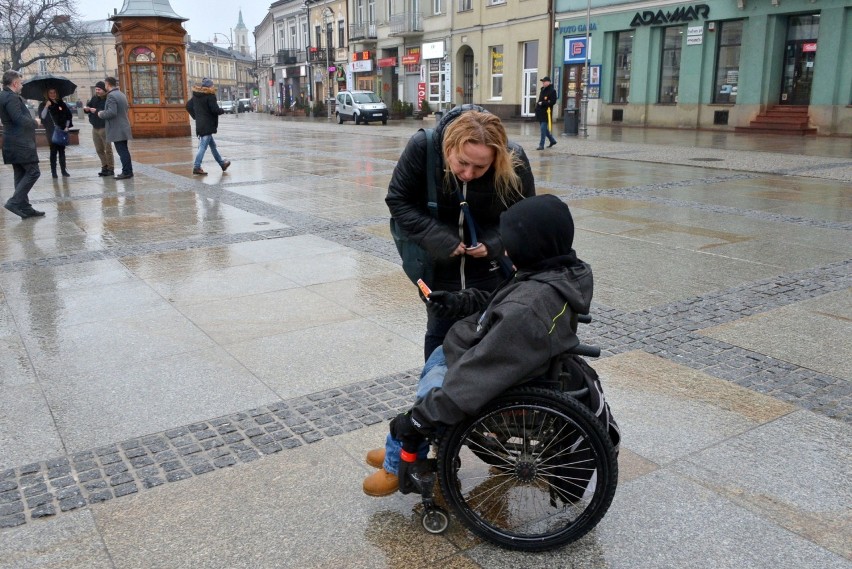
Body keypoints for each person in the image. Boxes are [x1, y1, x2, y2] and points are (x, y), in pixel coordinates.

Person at [363, 195, 593, 496]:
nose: (506, 249)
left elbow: (477, 377)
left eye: (511, 242)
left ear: (531, 245)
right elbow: (502, 300)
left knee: (428, 395)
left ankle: (399, 461)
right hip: (478, 345)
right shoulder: (557, 271)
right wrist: (460, 301)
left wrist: (416, 421)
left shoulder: (529, 310)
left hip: (477, 363)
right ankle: (400, 448)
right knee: (432, 375)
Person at [386, 105, 535, 362]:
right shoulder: (423, 147)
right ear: (448, 147)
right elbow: (398, 200)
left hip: (491, 272)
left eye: (480, 167)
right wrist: (439, 238)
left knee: (492, 345)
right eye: (462, 163)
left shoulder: (514, 159)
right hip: (438, 267)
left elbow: (525, 216)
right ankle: (437, 397)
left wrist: (492, 243)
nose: (468, 174)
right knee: (439, 340)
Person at [1, 70, 43, 219]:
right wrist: (35, 122)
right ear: (15, 83)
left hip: (11, 141)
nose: (22, 85)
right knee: (33, 172)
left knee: (20, 174)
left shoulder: (3, 95)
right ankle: (14, 202)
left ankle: (25, 207)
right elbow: (18, 118)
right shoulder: (11, 97)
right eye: (21, 82)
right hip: (20, 143)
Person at [185, 77, 231, 176]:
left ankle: (222, 164)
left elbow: (188, 105)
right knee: (202, 147)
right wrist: (222, 110)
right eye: (212, 85)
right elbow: (214, 110)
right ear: (209, 86)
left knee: (213, 146)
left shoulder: (197, 95)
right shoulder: (210, 96)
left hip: (201, 124)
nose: (213, 86)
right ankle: (197, 167)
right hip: (207, 125)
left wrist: (196, 116)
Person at [98, 76, 133, 180]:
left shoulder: (111, 96)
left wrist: (101, 113)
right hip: (123, 126)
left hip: (117, 128)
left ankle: (126, 172)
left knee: (122, 151)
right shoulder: (121, 94)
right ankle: (128, 171)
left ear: (108, 84)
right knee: (124, 150)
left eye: (105, 84)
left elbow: (112, 112)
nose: (105, 86)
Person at [37, 87, 73, 178]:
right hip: (51, 132)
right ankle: (54, 172)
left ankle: (63, 170)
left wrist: (67, 126)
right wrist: (46, 106)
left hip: (62, 130)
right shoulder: (43, 104)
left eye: (54, 93)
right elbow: (43, 117)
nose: (53, 94)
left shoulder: (61, 103)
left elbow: (68, 115)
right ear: (47, 94)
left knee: (62, 151)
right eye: (50, 93)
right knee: (53, 152)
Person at [83, 81, 115, 176]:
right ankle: (104, 165)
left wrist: (96, 110)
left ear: (104, 90)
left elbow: (108, 112)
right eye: (96, 89)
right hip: (95, 126)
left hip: (104, 126)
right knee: (99, 149)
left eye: (99, 89)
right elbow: (90, 106)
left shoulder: (108, 98)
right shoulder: (94, 98)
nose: (97, 91)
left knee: (107, 149)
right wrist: (87, 109)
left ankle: (110, 168)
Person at [535, 76, 558, 150]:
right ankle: (552, 140)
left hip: (546, 113)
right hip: (540, 112)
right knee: (544, 129)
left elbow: (553, 102)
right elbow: (540, 100)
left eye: (544, 81)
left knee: (542, 129)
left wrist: (543, 103)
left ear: (548, 82)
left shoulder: (552, 91)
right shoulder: (542, 89)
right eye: (542, 82)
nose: (543, 83)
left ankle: (541, 145)